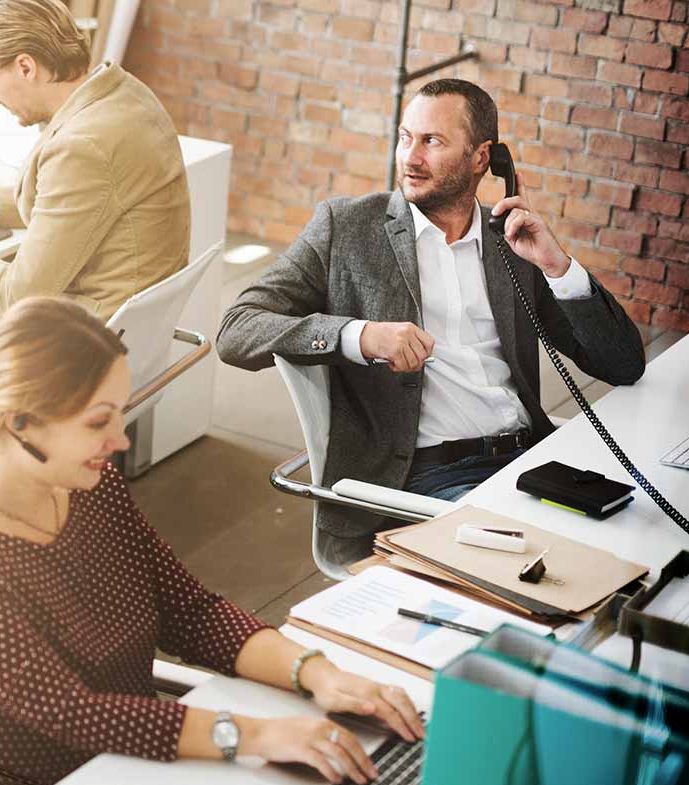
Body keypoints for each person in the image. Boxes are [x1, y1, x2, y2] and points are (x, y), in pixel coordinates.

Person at [0, 297, 425, 785]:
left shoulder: (89, 486)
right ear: (19, 424)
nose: (120, 440)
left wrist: (318, 674)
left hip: (134, 761)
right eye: (96, 421)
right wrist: (257, 736)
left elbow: (189, 612)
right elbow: (71, 714)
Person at [216, 78, 645, 567]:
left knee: (641, 551)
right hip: (430, 478)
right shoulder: (348, 228)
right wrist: (359, 336)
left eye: (432, 142)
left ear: (482, 158)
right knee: (561, 573)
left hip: (531, 463)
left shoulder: (512, 243)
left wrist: (558, 267)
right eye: (405, 137)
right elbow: (237, 328)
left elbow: (623, 363)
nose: (410, 158)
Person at [0, 0, 190, 357]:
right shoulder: (125, 94)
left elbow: (19, 293)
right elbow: (73, 205)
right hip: (120, 330)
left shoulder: (81, 146)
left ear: (26, 67)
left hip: (71, 356)